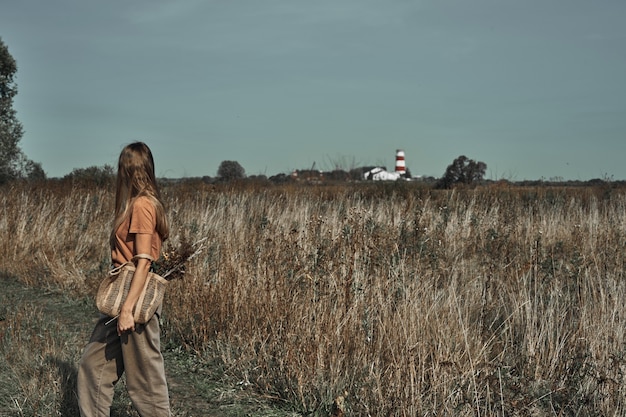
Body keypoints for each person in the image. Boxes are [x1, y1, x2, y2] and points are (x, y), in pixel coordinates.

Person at [77, 142, 171, 416]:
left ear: (128, 170)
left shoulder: (142, 205)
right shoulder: (136, 203)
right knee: (93, 367)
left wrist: (127, 310)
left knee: (145, 384)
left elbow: (143, 262)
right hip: (121, 298)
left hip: (134, 300)